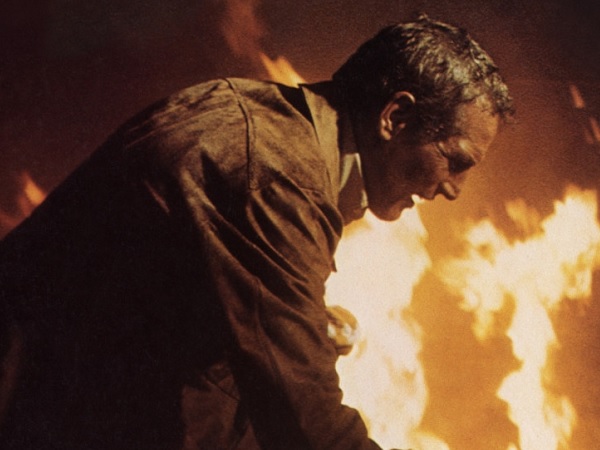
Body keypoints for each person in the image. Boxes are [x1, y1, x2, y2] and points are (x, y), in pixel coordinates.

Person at [0, 14, 513, 450]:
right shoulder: (275, 176)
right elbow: (306, 420)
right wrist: (292, 341)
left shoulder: (264, 122)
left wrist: (298, 324)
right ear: (395, 117)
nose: (454, 189)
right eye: (456, 160)